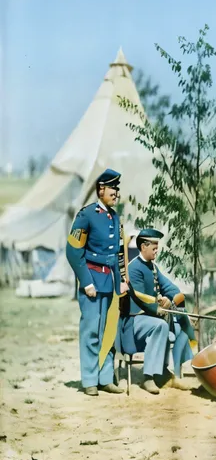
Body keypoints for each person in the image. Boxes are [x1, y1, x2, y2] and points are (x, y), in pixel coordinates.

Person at [65, 168, 127, 396]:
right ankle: (90, 380)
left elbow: (118, 254)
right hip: (92, 280)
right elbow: (73, 251)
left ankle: (105, 378)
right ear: (100, 189)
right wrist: (86, 281)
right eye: (113, 188)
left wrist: (120, 281)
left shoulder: (115, 216)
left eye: (117, 189)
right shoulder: (86, 215)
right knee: (91, 331)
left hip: (110, 282)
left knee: (108, 331)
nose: (116, 193)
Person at [122, 229, 196, 394]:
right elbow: (141, 300)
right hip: (135, 320)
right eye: (154, 247)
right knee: (160, 326)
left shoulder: (152, 267)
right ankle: (148, 377)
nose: (157, 250)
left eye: (157, 247)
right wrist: (160, 305)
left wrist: (173, 299)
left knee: (180, 327)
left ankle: (167, 372)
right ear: (143, 246)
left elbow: (170, 287)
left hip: (151, 317)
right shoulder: (133, 269)